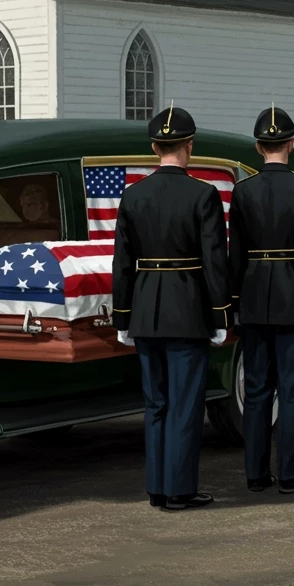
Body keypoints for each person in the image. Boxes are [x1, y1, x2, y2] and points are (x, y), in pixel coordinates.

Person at [111, 104, 229, 511]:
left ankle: (157, 488)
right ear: (189, 146)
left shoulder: (132, 195)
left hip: (145, 310)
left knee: (156, 403)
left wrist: (122, 317)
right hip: (188, 311)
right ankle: (179, 490)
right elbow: (215, 262)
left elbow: (122, 263)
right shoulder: (204, 195)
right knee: (185, 403)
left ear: (155, 147)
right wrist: (220, 316)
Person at [228, 106, 294, 494]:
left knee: (256, 391)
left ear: (258, 147)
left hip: (253, 299)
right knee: (291, 389)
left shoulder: (243, 190)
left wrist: (235, 300)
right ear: (290, 144)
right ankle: (289, 474)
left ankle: (255, 474)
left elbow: (235, 253)